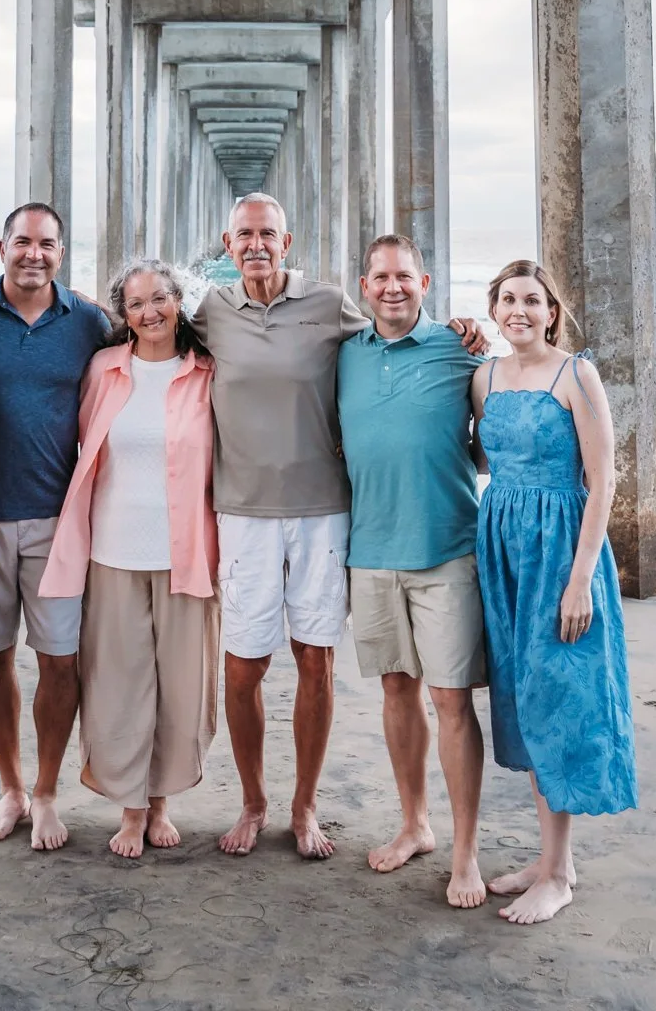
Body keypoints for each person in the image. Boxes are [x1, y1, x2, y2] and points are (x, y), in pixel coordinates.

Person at [191, 192, 484, 860]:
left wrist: (462, 330)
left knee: (314, 661)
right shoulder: (208, 311)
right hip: (241, 510)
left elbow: (397, 331)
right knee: (242, 667)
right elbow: (143, 326)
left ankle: (303, 807)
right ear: (226, 246)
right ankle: (252, 802)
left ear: (286, 242)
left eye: (268, 233)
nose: (256, 244)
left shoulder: (328, 308)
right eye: (244, 235)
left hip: (324, 509)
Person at [472, 260, 638, 924]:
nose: (519, 310)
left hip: (562, 551)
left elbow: (603, 480)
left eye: (531, 301)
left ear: (550, 312)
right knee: (521, 696)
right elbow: (483, 456)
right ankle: (544, 860)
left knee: (559, 698)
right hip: (502, 547)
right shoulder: (482, 376)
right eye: (507, 299)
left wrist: (578, 581)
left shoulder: (576, 373)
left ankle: (560, 872)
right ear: (494, 310)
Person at [40, 261, 220, 858]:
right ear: (123, 312)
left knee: (179, 685)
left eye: (161, 298)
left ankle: (162, 801)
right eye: (137, 302)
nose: (151, 312)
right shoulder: (103, 369)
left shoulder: (208, 371)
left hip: (185, 553)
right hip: (111, 551)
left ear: (179, 302)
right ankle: (131, 808)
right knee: (119, 681)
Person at [337, 235, 487, 908]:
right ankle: (414, 826)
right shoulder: (342, 354)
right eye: (380, 278)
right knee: (396, 692)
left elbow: (495, 440)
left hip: (447, 550)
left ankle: (465, 853)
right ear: (362, 286)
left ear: (424, 282)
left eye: (403, 277)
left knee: (451, 700)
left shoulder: (460, 351)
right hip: (369, 551)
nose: (391, 288)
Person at [0, 202, 111, 850]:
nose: (34, 254)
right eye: (22, 242)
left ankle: (47, 793)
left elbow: (154, 351)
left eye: (47, 244)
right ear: (1, 248)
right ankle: (11, 789)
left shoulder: (88, 321)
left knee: (59, 661)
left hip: (58, 521)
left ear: (61, 251)